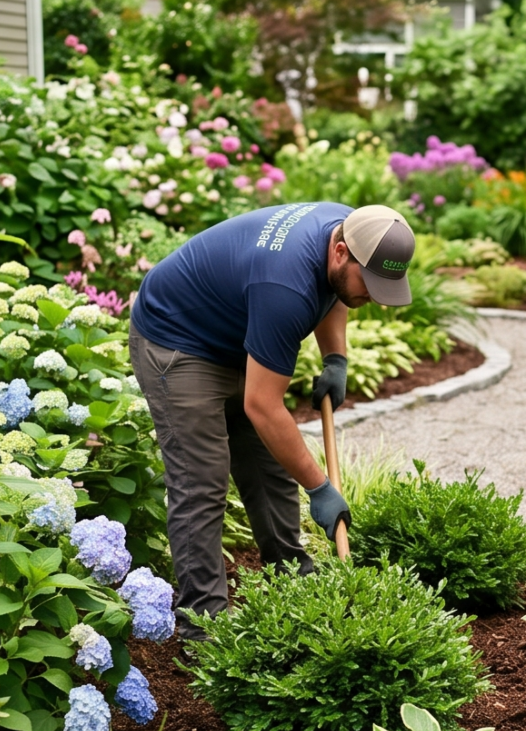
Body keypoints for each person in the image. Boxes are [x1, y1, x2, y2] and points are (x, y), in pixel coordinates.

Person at [125, 202, 418, 631]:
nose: (373, 296)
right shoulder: (285, 285)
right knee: (201, 483)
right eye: (370, 283)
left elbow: (341, 290)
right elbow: (262, 406)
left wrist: (335, 358)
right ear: (340, 251)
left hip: (233, 333)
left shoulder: (357, 229)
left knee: (270, 467)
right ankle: (205, 629)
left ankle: (293, 581)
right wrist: (320, 487)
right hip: (177, 342)